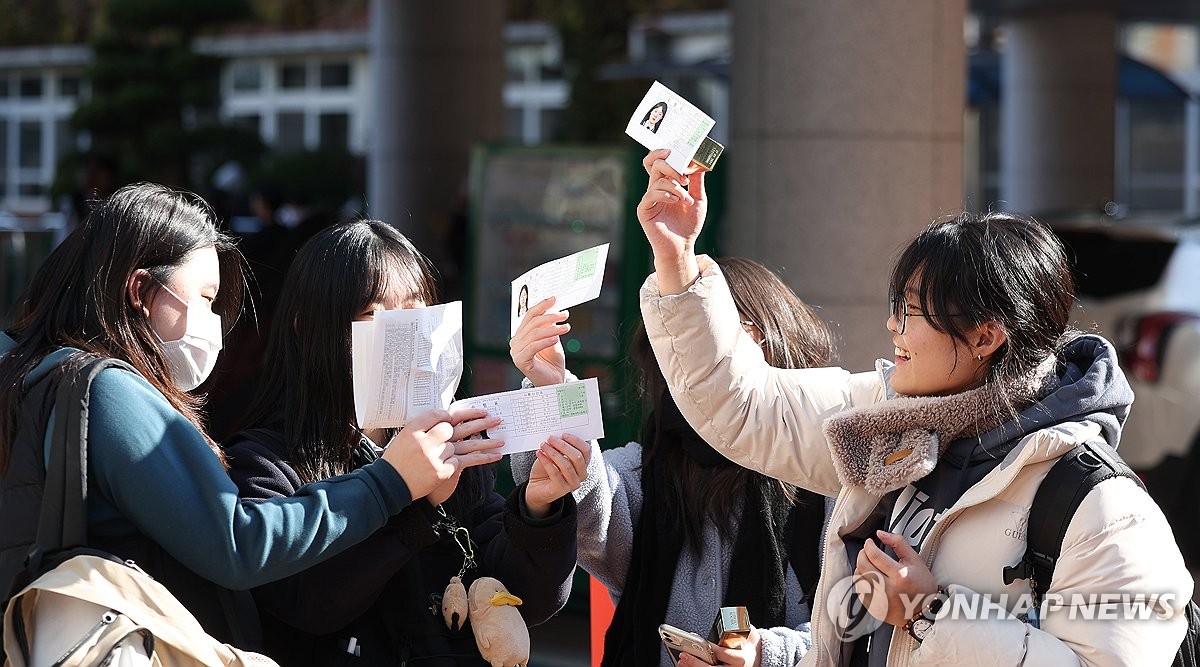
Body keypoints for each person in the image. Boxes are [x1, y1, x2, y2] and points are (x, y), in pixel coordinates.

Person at [633, 148, 1192, 666]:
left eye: (913, 311)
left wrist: (933, 615)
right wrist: (677, 259)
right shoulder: (888, 419)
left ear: (985, 336)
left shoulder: (1100, 505)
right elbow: (744, 406)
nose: (891, 327)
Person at [0, 183, 491, 649]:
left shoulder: (39, 375)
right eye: (205, 298)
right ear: (139, 290)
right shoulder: (107, 390)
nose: (212, 324)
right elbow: (240, 543)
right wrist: (391, 482)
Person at [224, 219, 589, 665]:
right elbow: (307, 604)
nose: (404, 333)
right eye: (375, 316)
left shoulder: (454, 443)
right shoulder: (262, 463)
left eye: (415, 313)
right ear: (309, 329)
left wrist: (539, 509)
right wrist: (411, 496)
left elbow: (521, 600)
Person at [508, 256, 833, 667]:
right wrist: (551, 385)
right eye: (680, 352)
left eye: (713, 346)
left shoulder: (828, 477)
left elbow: (856, 631)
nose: (697, 370)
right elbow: (584, 495)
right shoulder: (646, 472)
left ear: (765, 339)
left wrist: (766, 654)